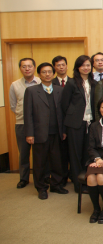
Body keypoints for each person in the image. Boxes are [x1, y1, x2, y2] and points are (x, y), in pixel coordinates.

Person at [24, 62, 67, 199]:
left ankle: (56, 185)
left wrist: (64, 130)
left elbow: (64, 112)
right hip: (39, 133)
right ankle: (41, 188)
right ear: (39, 74)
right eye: (44, 72)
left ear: (53, 74)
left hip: (57, 132)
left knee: (57, 161)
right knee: (40, 162)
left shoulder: (59, 90)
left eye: (50, 72)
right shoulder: (31, 91)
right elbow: (28, 114)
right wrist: (29, 133)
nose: (47, 74)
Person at [62, 55, 96, 194]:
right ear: (77, 67)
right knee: (75, 155)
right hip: (75, 124)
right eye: (83, 65)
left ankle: (86, 181)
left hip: (90, 122)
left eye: (88, 65)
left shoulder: (93, 83)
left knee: (87, 154)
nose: (86, 68)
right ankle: (78, 185)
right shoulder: (71, 83)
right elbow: (64, 104)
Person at [9, 58, 41, 189]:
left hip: (39, 124)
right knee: (23, 152)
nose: (27, 68)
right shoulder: (14, 85)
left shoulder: (41, 82)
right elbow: (13, 105)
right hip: (21, 123)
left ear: (34, 67)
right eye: (24, 66)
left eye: (29, 66)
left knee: (40, 153)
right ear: (20, 69)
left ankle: (41, 177)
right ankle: (24, 178)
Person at [52, 55, 70, 187]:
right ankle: (61, 178)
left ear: (67, 66)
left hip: (73, 123)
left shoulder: (74, 82)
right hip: (57, 123)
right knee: (60, 153)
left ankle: (74, 176)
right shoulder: (50, 83)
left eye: (63, 64)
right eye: (58, 65)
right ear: (54, 67)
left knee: (74, 152)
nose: (61, 67)